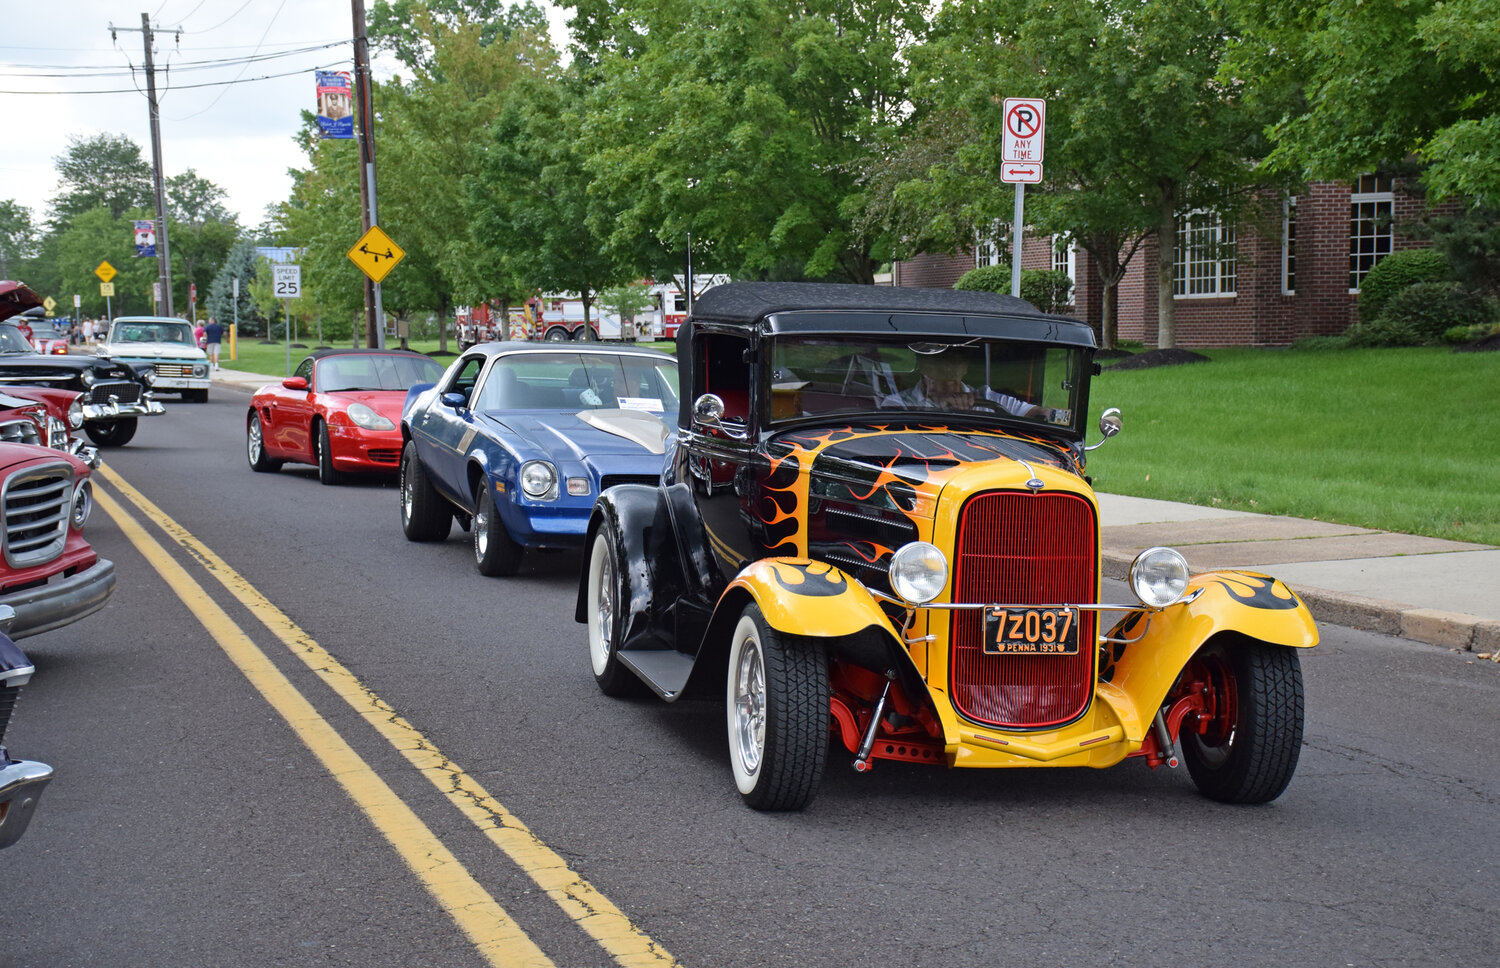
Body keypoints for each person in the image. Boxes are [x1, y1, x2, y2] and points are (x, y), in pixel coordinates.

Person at [881, 349, 1047, 418]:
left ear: (965, 367)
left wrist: (1057, 416)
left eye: (955, 359)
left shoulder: (986, 398)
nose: (947, 366)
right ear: (922, 365)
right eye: (938, 359)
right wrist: (943, 411)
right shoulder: (897, 403)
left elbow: (1033, 412)